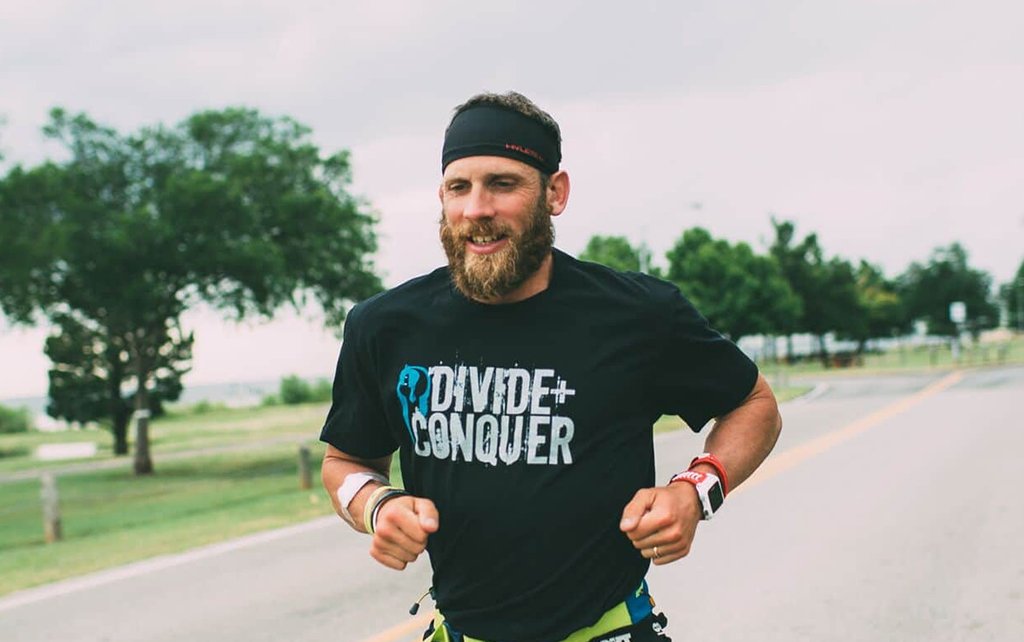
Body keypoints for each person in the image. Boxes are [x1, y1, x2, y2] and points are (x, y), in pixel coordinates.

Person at [320, 91, 782, 642]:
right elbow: (346, 460)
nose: (477, 209)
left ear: (555, 193)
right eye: (459, 187)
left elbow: (754, 404)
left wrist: (695, 490)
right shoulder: (385, 326)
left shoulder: (637, 315)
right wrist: (376, 505)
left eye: (502, 184)